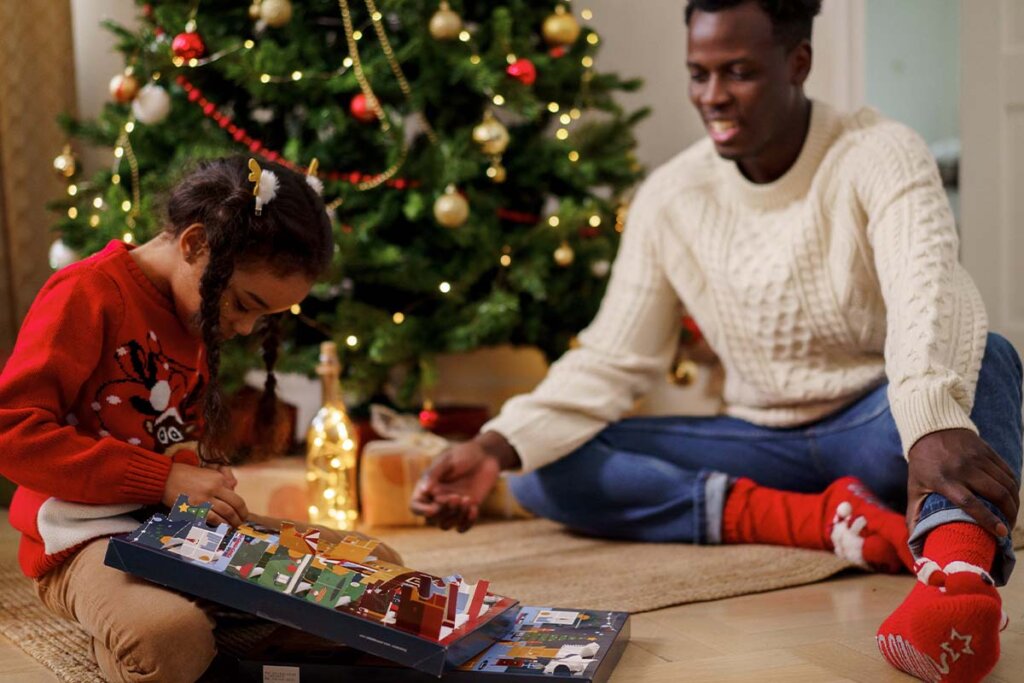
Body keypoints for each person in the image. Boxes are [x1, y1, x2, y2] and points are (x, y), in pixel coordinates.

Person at [411, 1, 1023, 681]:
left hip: (879, 424)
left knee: (989, 353)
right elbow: (614, 359)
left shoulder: (880, 152)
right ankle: (823, 520)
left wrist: (930, 423)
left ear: (799, 62)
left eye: (738, 72)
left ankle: (957, 580)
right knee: (538, 464)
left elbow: (928, 292)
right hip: (759, 440)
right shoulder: (670, 197)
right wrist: (493, 445)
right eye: (698, 74)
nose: (712, 97)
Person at [0, 157, 392, 682]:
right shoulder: (86, 293)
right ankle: (171, 630)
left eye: (266, 317)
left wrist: (201, 481)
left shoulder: (193, 310)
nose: (247, 327)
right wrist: (163, 479)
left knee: (378, 572)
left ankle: (221, 626)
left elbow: (175, 438)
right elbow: (11, 433)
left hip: (177, 533)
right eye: (244, 304)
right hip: (82, 539)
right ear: (193, 244)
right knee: (168, 639)